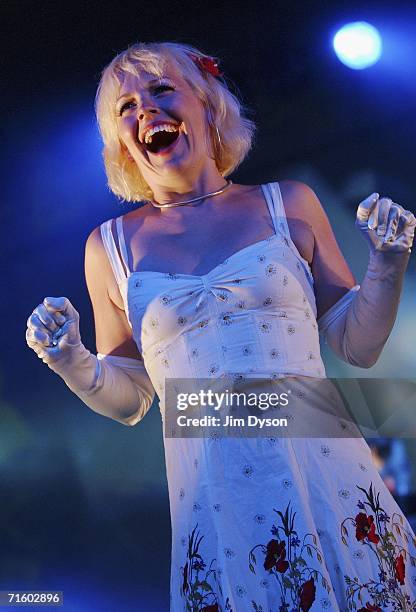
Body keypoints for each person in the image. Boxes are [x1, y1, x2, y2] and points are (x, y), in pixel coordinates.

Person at [26, 41, 416, 611]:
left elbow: (356, 345)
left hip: (327, 471)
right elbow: (130, 398)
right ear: (120, 141)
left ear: (207, 106)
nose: (145, 112)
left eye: (161, 91)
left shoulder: (289, 204)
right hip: (219, 500)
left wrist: (387, 262)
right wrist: (70, 360)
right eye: (126, 106)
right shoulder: (109, 247)